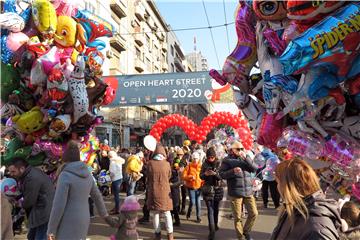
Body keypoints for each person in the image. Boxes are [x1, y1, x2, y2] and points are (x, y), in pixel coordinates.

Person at [47, 141, 110, 240]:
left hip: (67, 219)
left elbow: (59, 204)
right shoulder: (87, 174)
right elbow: (97, 196)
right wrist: (105, 215)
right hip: (84, 217)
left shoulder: (65, 175)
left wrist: (51, 229)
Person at [270, 159, 342, 240]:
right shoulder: (294, 209)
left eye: (278, 182)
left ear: (288, 186)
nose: (277, 187)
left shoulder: (317, 229)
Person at [219, 141, 258, 240]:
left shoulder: (246, 157)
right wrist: (233, 171)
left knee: (254, 213)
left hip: (248, 191)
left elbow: (255, 168)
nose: (240, 151)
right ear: (232, 150)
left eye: (241, 149)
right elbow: (221, 174)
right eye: (238, 149)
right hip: (235, 192)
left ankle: (247, 231)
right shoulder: (227, 160)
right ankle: (240, 237)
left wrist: (247, 158)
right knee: (238, 217)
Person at [8, 158, 55, 240]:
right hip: (42, 211)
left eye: (13, 172)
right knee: (31, 237)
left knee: (38, 237)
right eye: (10, 172)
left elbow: (29, 201)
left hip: (44, 213)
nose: (11, 174)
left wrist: (16, 203)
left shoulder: (32, 178)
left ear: (22, 169)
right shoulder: (30, 174)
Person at [146, 143, 174, 240]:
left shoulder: (150, 163)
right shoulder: (167, 164)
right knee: (167, 213)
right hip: (165, 191)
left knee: (155, 213)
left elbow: (148, 176)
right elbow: (169, 176)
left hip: (154, 190)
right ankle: (170, 235)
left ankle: (157, 234)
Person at [200, 147, 224, 240]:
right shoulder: (204, 164)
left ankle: (216, 224)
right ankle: (212, 231)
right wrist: (205, 174)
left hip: (217, 188)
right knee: (210, 210)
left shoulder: (219, 163)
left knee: (216, 209)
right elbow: (200, 176)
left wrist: (215, 174)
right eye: (209, 157)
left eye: (212, 157)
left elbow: (221, 177)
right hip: (208, 189)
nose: (210, 159)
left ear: (215, 156)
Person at [182, 151, 203, 223]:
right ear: (192, 158)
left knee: (198, 202)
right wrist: (190, 177)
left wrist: (203, 184)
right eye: (194, 158)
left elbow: (203, 177)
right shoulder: (189, 166)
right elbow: (183, 176)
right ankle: (189, 213)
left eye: (196, 158)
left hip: (199, 187)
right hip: (191, 187)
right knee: (192, 202)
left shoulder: (201, 166)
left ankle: (198, 217)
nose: (195, 160)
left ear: (199, 159)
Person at [109, 150, 125, 214]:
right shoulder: (118, 161)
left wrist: (110, 176)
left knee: (116, 195)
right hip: (120, 178)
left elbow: (112, 172)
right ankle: (116, 207)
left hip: (115, 179)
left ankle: (117, 209)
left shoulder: (112, 162)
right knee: (117, 195)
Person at [169, 158, 181, 227]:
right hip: (174, 193)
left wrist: (171, 184)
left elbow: (178, 182)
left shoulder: (175, 173)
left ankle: (175, 221)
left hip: (173, 192)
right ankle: (176, 221)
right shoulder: (176, 173)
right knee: (174, 208)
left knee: (173, 208)